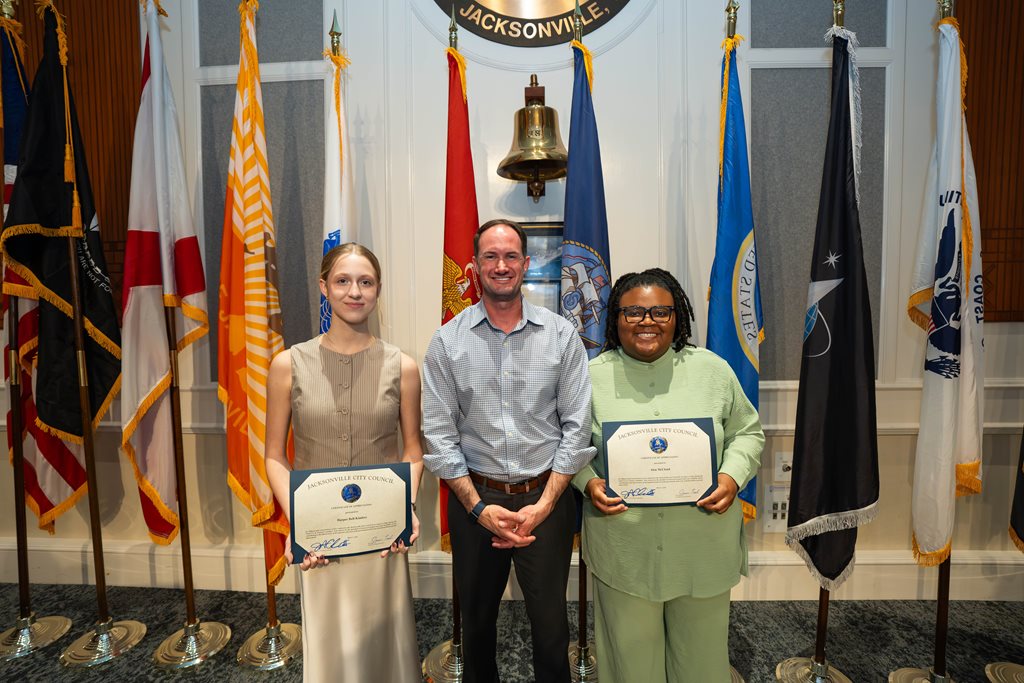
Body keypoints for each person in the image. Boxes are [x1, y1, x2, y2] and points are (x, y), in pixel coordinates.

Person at [572, 268, 764, 683]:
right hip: (624, 546)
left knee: (700, 664)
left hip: (702, 545)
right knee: (630, 666)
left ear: (677, 316)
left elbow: (747, 433)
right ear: (615, 320)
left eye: (661, 311)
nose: (647, 321)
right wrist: (587, 481)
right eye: (634, 312)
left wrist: (731, 477)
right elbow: (568, 448)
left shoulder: (713, 370)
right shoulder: (590, 377)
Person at [423, 219, 594, 683]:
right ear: (475, 265)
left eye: (511, 256)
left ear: (526, 262)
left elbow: (576, 430)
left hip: (548, 502)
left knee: (552, 629)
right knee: (475, 628)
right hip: (475, 501)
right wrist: (479, 509)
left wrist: (543, 505)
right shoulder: (447, 342)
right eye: (491, 257)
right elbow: (438, 438)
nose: (501, 265)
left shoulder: (561, 336)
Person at [265, 243, 423, 682]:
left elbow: (413, 450)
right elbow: (274, 456)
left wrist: (405, 508)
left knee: (386, 643)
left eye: (366, 282)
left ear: (377, 290)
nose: (355, 292)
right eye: (343, 281)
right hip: (320, 541)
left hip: (382, 536)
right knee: (331, 646)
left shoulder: (403, 367)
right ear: (324, 287)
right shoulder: (287, 365)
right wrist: (298, 519)